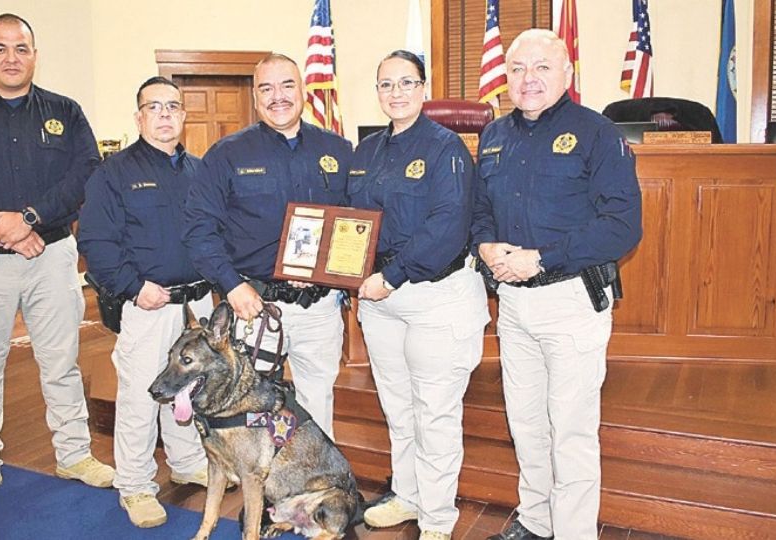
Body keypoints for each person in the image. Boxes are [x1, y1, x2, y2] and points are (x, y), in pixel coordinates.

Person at [0, 13, 113, 512]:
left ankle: (74, 454)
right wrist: (4, 231)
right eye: (1, 48)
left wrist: (29, 219)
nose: (12, 57)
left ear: (34, 53)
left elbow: (85, 173)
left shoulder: (65, 112)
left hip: (51, 256)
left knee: (61, 363)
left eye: (21, 48)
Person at [472, 29, 642, 540]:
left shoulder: (597, 133)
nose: (529, 79)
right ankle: (536, 519)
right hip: (515, 306)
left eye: (542, 67)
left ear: (567, 74)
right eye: (519, 68)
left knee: (569, 431)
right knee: (526, 424)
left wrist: (541, 258)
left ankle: (572, 532)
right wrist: (485, 245)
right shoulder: (494, 136)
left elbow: (622, 225)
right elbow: (481, 209)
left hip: (571, 300)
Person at [347, 50, 490, 540]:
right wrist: (348, 272)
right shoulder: (365, 152)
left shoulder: (446, 148)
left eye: (406, 83)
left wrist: (391, 276)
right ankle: (407, 496)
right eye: (386, 85)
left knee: (435, 414)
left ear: (423, 88)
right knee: (399, 407)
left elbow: (447, 228)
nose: (396, 93)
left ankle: (437, 519)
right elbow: (351, 223)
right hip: (380, 302)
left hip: (435, 296)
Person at [183, 53, 353, 437]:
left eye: (287, 85)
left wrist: (336, 273)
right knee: (248, 408)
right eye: (267, 88)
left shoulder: (339, 151)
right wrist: (231, 285)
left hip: (318, 308)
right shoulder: (226, 155)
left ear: (304, 91)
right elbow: (198, 229)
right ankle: (258, 493)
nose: (278, 96)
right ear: (256, 98)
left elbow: (353, 225)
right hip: (253, 306)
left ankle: (311, 491)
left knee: (316, 403)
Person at [77, 77, 214, 529]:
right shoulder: (114, 173)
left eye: (173, 107)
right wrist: (135, 288)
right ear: (138, 117)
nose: (165, 115)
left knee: (189, 391)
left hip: (196, 303)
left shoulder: (199, 171)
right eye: (154, 108)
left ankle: (186, 459)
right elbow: (96, 242)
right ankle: (135, 485)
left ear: (184, 115)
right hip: (148, 303)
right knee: (141, 396)